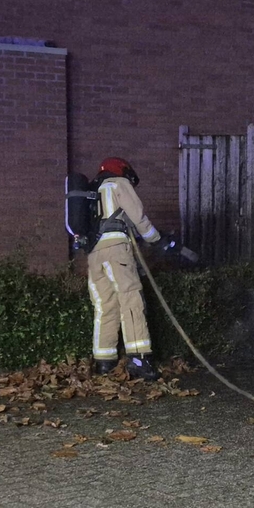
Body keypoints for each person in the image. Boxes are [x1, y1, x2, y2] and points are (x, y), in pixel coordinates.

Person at [87, 157, 172, 381]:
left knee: (105, 306)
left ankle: (104, 362)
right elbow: (138, 217)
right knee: (131, 300)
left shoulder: (93, 191)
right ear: (122, 170)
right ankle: (139, 360)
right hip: (116, 251)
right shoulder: (119, 183)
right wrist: (156, 239)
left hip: (94, 254)